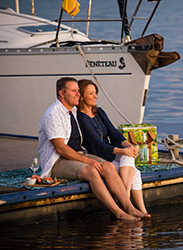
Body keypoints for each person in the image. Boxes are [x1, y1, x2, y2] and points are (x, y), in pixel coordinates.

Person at [38, 77, 148, 221]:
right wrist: (88, 161)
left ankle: (129, 207)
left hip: (76, 154)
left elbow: (111, 131)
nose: (78, 94)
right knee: (92, 171)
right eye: (74, 91)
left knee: (108, 166)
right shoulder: (53, 115)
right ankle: (118, 213)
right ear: (61, 93)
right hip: (57, 161)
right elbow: (61, 149)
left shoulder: (74, 112)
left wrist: (127, 145)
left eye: (78, 91)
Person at [76, 79, 148, 215]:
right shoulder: (81, 118)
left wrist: (128, 145)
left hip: (110, 155)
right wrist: (123, 151)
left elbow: (113, 132)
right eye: (91, 93)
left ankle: (137, 207)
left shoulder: (100, 112)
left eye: (95, 93)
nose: (95, 96)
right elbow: (97, 145)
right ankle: (129, 206)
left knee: (129, 159)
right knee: (135, 172)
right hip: (97, 157)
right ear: (81, 97)